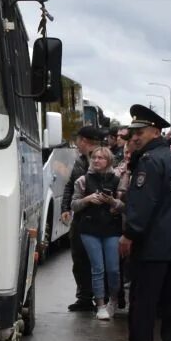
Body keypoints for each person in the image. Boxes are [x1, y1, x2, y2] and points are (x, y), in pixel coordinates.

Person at [116, 104, 171, 341]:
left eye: (140, 132)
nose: (134, 138)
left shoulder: (150, 161)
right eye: (132, 133)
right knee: (170, 306)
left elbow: (144, 204)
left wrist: (128, 234)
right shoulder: (170, 159)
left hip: (153, 247)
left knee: (143, 305)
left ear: (156, 131)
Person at [71, 146, 123, 319]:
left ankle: (113, 300)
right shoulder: (82, 180)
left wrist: (112, 201)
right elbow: (74, 205)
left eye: (101, 158)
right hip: (89, 229)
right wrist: (87, 199)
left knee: (113, 269)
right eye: (94, 157)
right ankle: (100, 304)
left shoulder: (117, 180)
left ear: (108, 161)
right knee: (97, 268)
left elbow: (125, 206)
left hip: (112, 229)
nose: (96, 160)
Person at [65, 125, 103, 313]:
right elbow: (70, 185)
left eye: (78, 140)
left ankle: (102, 299)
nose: (77, 144)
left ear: (85, 141)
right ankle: (84, 297)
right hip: (80, 217)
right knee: (79, 260)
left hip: (100, 219)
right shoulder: (79, 161)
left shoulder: (105, 159)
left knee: (98, 261)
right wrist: (65, 207)